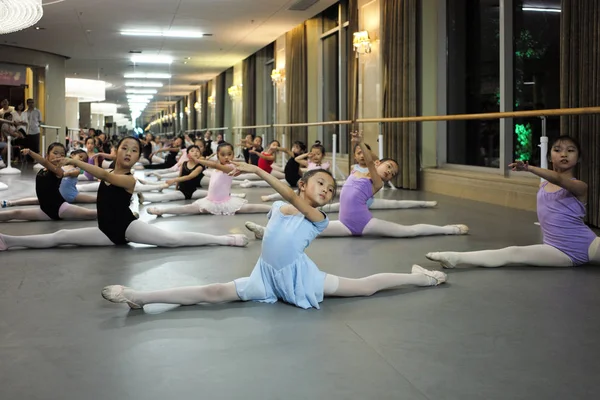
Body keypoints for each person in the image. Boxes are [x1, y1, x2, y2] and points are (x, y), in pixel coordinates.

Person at [101, 163, 446, 310]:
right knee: (213, 291)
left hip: (300, 278)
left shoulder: (318, 218)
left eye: (331, 187)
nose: (327, 189)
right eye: (320, 183)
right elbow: (279, 230)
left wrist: (256, 170)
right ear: (302, 184)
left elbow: (295, 206)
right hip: (265, 277)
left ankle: (424, 279)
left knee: (365, 286)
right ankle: (141, 296)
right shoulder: (280, 208)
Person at [0, 137, 248, 250]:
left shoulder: (128, 179)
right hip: (106, 232)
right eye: (124, 148)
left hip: (127, 228)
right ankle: (9, 240)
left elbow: (105, 176)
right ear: (116, 152)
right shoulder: (109, 167)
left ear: (138, 157)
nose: (129, 152)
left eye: (134, 150)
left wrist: (75, 161)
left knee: (173, 240)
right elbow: (103, 170)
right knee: (62, 235)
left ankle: (224, 240)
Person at [246, 132, 467, 239]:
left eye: (393, 173)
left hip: (364, 223)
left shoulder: (376, 181)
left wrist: (361, 142)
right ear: (381, 163)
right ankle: (266, 233)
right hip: (344, 223)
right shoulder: (355, 169)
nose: (389, 172)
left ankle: (447, 229)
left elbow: (369, 161)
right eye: (388, 166)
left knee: (405, 232)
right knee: (306, 227)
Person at [426, 135, 600, 268]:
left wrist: (530, 167)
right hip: (557, 250)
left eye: (570, 150)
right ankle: (455, 258)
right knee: (512, 253)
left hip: (587, 244)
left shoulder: (580, 186)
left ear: (579, 158)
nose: (564, 154)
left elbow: (560, 180)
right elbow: (553, 180)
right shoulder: (544, 186)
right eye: (557, 150)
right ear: (549, 157)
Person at [146, 142, 270, 216]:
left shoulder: (230, 167)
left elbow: (216, 165)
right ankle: (162, 210)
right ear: (218, 155)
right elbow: (215, 165)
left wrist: (198, 160)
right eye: (223, 154)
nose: (227, 157)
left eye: (229, 154)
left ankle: (272, 208)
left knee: (251, 208)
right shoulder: (218, 166)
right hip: (210, 201)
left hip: (225, 202)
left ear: (233, 154)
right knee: (188, 209)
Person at [0, 143, 97, 221]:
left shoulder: (58, 171)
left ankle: (110, 212)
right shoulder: (42, 170)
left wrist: (30, 152)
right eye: (55, 153)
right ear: (47, 155)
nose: (58, 156)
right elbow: (45, 164)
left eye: (62, 154)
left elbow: (45, 163)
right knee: (15, 213)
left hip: (60, 208)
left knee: (90, 214)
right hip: (44, 211)